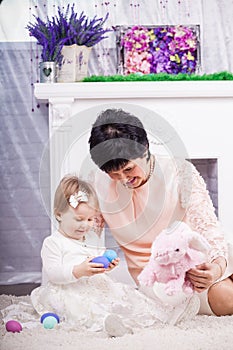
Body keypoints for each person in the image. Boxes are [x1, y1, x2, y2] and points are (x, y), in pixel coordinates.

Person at [89, 108, 233, 317]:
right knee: (225, 297)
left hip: (200, 258)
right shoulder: (96, 183)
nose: (123, 179)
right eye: (113, 174)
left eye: (128, 169)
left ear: (145, 148)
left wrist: (217, 268)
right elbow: (83, 233)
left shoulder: (180, 172)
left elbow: (208, 228)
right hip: (165, 279)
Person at [30, 175, 178, 336]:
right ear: (59, 215)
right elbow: (53, 273)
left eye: (90, 219)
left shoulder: (90, 239)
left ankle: (163, 313)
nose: (85, 225)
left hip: (94, 286)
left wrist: (108, 266)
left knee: (124, 296)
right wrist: (78, 270)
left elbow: (98, 261)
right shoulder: (54, 243)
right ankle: (107, 324)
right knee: (83, 308)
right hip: (69, 289)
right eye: (79, 219)